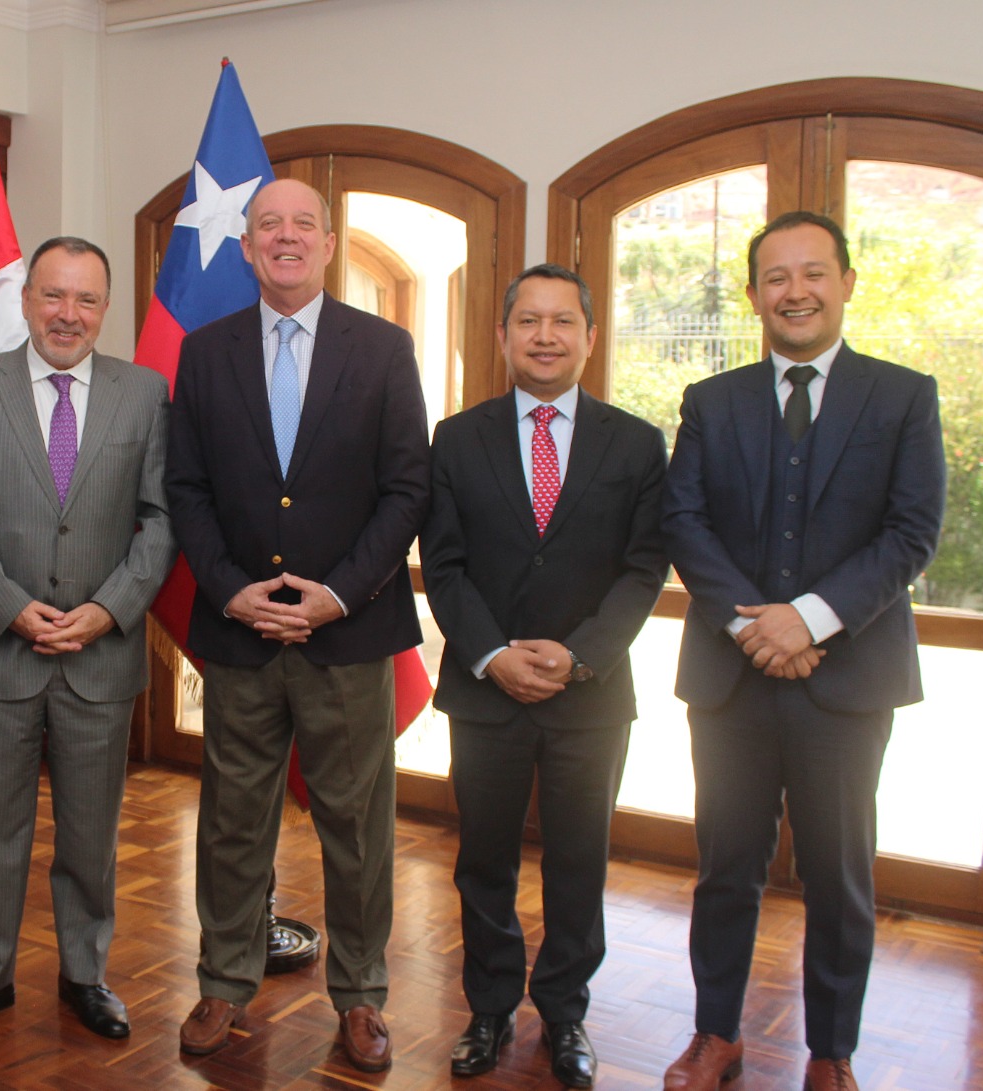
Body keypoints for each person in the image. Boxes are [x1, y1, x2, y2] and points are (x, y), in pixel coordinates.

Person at [660, 211, 946, 1091]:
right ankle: (717, 1033)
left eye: (813, 272)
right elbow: (684, 520)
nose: (796, 291)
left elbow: (911, 532)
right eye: (776, 277)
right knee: (726, 869)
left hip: (847, 680)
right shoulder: (712, 401)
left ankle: (831, 1051)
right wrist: (755, 625)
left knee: (839, 877)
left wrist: (811, 618)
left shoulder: (903, 396)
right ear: (752, 295)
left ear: (847, 282)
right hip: (732, 680)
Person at [165, 178, 429, 1073]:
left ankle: (359, 999)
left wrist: (340, 594)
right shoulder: (204, 354)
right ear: (246, 247)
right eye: (267, 225)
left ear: (326, 244)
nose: (284, 238)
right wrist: (231, 587)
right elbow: (187, 488)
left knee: (357, 828)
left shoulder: (385, 348)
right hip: (239, 632)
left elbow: (407, 491)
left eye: (301, 226)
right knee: (234, 822)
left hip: (347, 635)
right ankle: (222, 984)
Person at [0, 237, 174, 1042]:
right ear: (26, 300)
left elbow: (163, 520)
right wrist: (12, 607)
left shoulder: (144, 394)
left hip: (102, 651)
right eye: (54, 296)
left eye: (87, 299)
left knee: (92, 835)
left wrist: (108, 608)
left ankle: (84, 974)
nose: (69, 314)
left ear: (106, 309)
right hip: (2, 649)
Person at [421, 265, 667, 1088]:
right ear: (502, 336)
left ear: (591, 338)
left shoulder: (636, 443)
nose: (546, 335)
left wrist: (582, 653)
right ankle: (489, 1007)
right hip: (484, 691)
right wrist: (494, 654)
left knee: (578, 861)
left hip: (590, 697)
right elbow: (445, 566)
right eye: (529, 320)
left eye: (565, 321)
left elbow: (643, 569)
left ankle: (565, 1013)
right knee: (482, 859)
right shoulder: (456, 438)